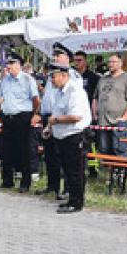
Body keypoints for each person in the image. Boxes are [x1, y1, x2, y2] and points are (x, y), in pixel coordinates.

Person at [35, 43, 81, 196]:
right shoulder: (52, 74)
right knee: (50, 155)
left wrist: (58, 118)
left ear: (67, 57)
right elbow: (47, 97)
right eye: (54, 55)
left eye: (58, 55)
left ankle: (68, 189)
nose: (54, 57)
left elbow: (71, 100)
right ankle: (52, 185)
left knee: (64, 156)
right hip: (49, 117)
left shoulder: (72, 75)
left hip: (62, 119)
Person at [47, 63, 92, 213]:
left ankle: (76, 202)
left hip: (74, 135)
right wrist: (50, 127)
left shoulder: (75, 91)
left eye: (53, 76)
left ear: (64, 75)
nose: (51, 80)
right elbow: (56, 113)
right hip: (62, 136)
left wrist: (56, 121)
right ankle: (71, 198)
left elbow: (75, 116)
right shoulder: (59, 92)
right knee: (67, 170)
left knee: (75, 171)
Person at [0, 52, 40, 192]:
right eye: (7, 63)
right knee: (6, 150)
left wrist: (34, 114)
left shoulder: (28, 79)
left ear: (19, 65)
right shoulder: (5, 80)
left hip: (23, 117)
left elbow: (36, 100)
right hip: (7, 117)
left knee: (24, 151)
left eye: (11, 63)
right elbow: (1, 97)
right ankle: (7, 180)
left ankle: (25, 182)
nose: (8, 66)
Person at [93, 53, 127, 158]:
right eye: (109, 62)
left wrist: (125, 117)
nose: (110, 64)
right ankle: (108, 169)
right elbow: (95, 98)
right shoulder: (102, 79)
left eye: (113, 62)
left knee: (119, 150)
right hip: (102, 122)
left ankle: (119, 169)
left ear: (120, 63)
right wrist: (94, 113)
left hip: (118, 122)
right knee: (104, 150)